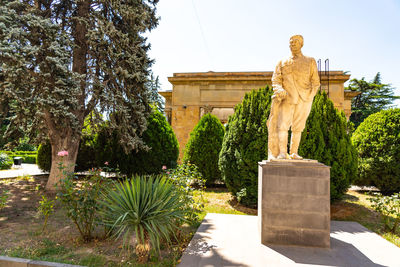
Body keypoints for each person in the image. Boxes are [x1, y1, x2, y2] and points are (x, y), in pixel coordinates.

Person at [267, 35, 320, 160]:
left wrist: (311, 95)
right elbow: (276, 79)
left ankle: (294, 152)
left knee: (298, 127)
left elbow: (316, 82)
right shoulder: (282, 62)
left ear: (301, 44)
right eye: (290, 42)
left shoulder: (310, 61)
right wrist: (279, 89)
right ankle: (282, 153)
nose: (292, 44)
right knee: (283, 125)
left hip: (305, 98)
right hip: (287, 98)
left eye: (295, 42)